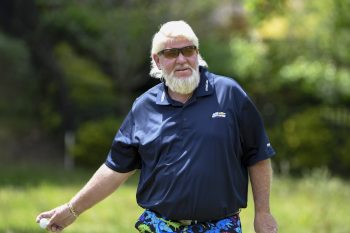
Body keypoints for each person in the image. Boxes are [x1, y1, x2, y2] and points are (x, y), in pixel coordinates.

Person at [36, 20, 278, 233]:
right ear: (157, 60)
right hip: (159, 227)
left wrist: (263, 214)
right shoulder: (143, 107)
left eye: (188, 50)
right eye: (171, 53)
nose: (182, 59)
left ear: (197, 53)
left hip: (220, 226)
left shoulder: (229, 93)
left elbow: (258, 155)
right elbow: (115, 168)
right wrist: (72, 209)